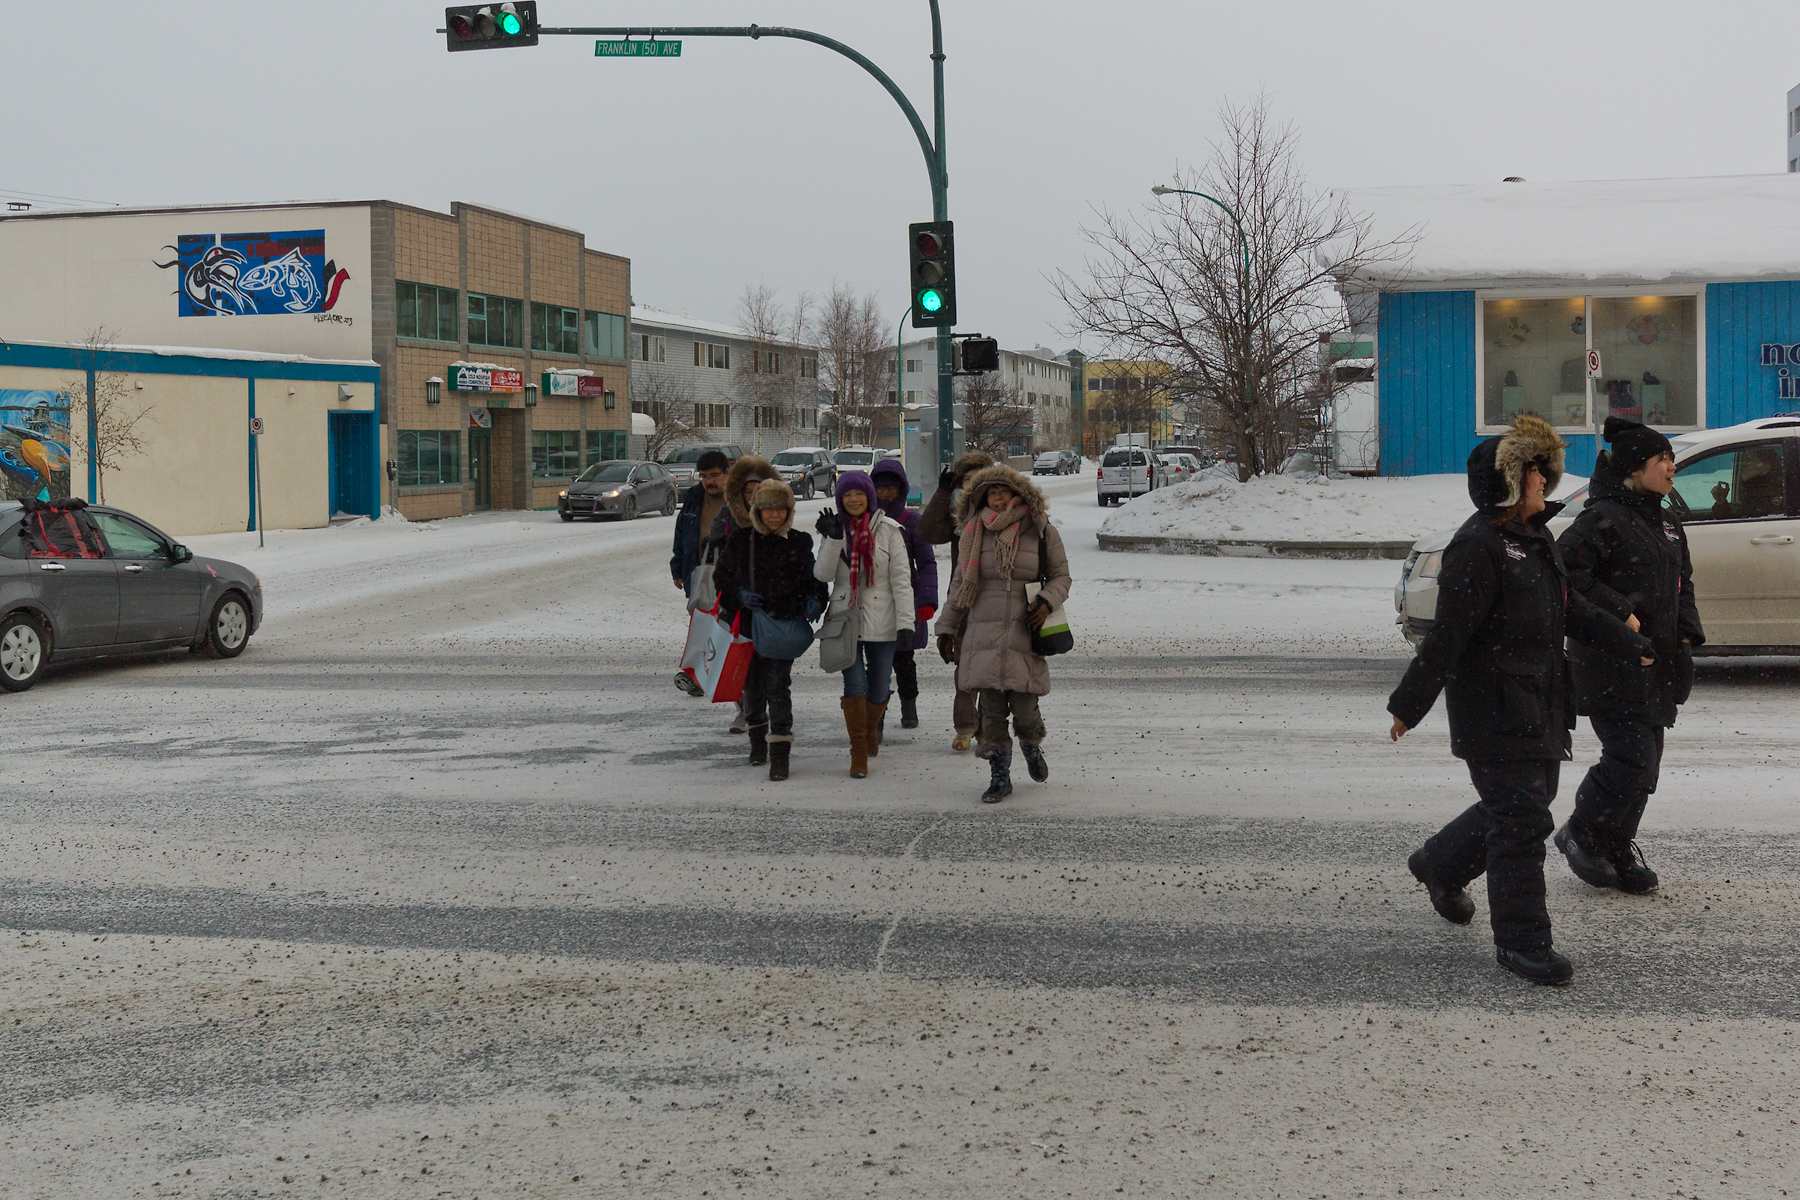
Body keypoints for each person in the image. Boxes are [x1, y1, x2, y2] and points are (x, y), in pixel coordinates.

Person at [1388, 415, 1652, 986]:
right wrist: (1409, 704)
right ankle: (1523, 943)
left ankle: (1439, 863)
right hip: (1493, 707)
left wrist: (1629, 642)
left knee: (1519, 808)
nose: (1543, 479)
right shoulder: (1477, 547)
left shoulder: (1536, 539)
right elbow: (1448, 636)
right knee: (1521, 822)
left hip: (1540, 700)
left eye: (1541, 468)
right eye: (1532, 469)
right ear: (1510, 481)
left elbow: (1573, 610)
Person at [1554, 416, 1704, 894]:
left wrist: (1686, 635)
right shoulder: (1599, 520)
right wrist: (1622, 612)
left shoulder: (1665, 519)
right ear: (1636, 469)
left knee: (1647, 763)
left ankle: (1617, 845)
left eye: (1671, 459)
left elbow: (1684, 584)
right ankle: (1581, 832)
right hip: (1610, 661)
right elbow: (1566, 579)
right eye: (1663, 459)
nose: (1672, 467)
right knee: (1631, 756)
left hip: (1658, 662)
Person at [933, 464, 1071, 804]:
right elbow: (959, 586)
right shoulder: (972, 533)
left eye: (1003, 492)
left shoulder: (1039, 530)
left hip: (1026, 631)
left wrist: (1046, 601)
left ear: (1017, 495)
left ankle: (1030, 745)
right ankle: (999, 776)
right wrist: (946, 628)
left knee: (1025, 709)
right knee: (991, 714)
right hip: (983, 635)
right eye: (990, 493)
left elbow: (1061, 577)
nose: (996, 498)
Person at [714, 477, 827, 781]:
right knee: (752, 689)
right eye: (768, 510)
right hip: (749, 626)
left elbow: (812, 578)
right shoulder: (740, 540)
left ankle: (780, 753)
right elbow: (721, 577)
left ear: (788, 511)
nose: (774, 515)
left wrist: (815, 598)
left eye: (780, 509)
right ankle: (756, 744)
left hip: (783, 625)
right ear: (757, 512)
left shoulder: (799, 541)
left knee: (778, 688)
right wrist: (737, 595)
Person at [814, 470, 915, 779]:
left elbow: (901, 579)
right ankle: (859, 750)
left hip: (883, 618)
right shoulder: (835, 530)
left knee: (880, 686)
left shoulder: (889, 530)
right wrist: (832, 540)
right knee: (854, 684)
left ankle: (869, 731)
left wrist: (906, 621)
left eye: (858, 494)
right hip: (846, 617)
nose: (853, 499)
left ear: (869, 497)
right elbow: (823, 575)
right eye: (847, 495)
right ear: (840, 499)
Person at [917, 450, 993, 751]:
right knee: (965, 667)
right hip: (964, 602)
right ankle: (965, 727)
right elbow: (927, 532)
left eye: (977, 478)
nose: (971, 485)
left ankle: (987, 728)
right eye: (965, 480)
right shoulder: (959, 518)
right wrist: (942, 492)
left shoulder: (1006, 510)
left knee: (992, 671)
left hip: (999, 601)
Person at [870, 457, 938, 737]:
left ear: (901, 490)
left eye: (891, 489)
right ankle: (877, 714)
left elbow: (927, 563)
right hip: (873, 603)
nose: (885, 494)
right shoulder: (866, 520)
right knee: (875, 665)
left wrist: (926, 599)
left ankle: (909, 707)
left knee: (904, 661)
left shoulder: (912, 521)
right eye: (880, 488)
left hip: (905, 602)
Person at [669, 450, 732, 697]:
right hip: (699, 573)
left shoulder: (739, 498)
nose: (709, 481)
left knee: (727, 627)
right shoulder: (694, 498)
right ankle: (696, 676)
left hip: (730, 574)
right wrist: (678, 567)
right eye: (704, 476)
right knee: (701, 625)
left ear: (727, 473)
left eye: (715, 475)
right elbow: (682, 533)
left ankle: (722, 675)